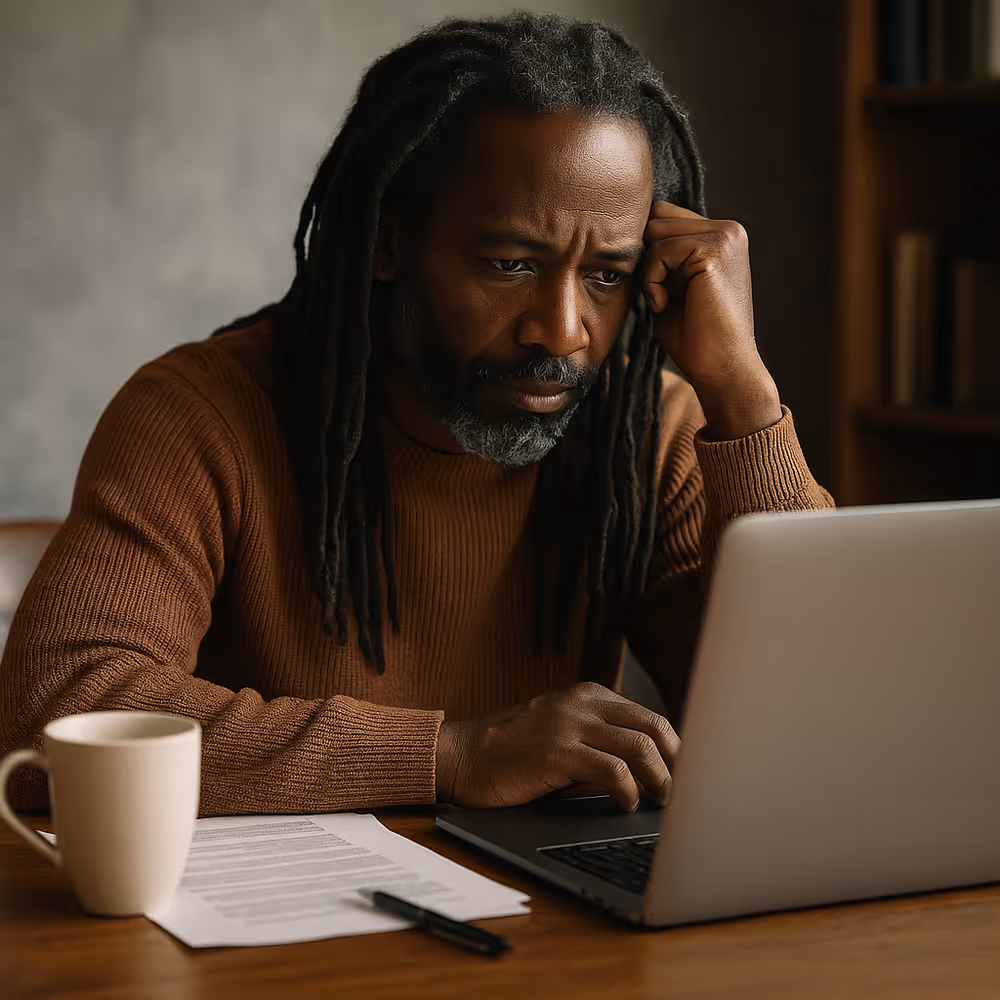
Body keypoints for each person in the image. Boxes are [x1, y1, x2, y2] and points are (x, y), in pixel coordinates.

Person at [0, 13, 833, 817]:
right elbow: (57, 719)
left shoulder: (647, 433)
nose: (564, 328)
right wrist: (452, 756)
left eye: (608, 275)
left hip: (556, 934)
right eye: (511, 263)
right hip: (267, 939)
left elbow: (823, 731)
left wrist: (745, 394)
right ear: (388, 243)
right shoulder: (200, 416)